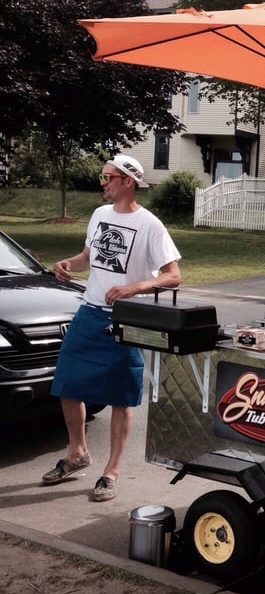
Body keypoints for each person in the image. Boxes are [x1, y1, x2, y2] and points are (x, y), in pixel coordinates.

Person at [42, 154, 181, 502]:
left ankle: (112, 471)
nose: (102, 182)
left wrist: (133, 288)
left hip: (126, 318)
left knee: (122, 396)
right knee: (67, 384)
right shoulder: (99, 215)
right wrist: (67, 264)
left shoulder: (150, 225)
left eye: (108, 177)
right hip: (89, 313)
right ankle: (77, 453)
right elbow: (88, 256)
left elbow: (173, 275)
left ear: (127, 181)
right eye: (102, 176)